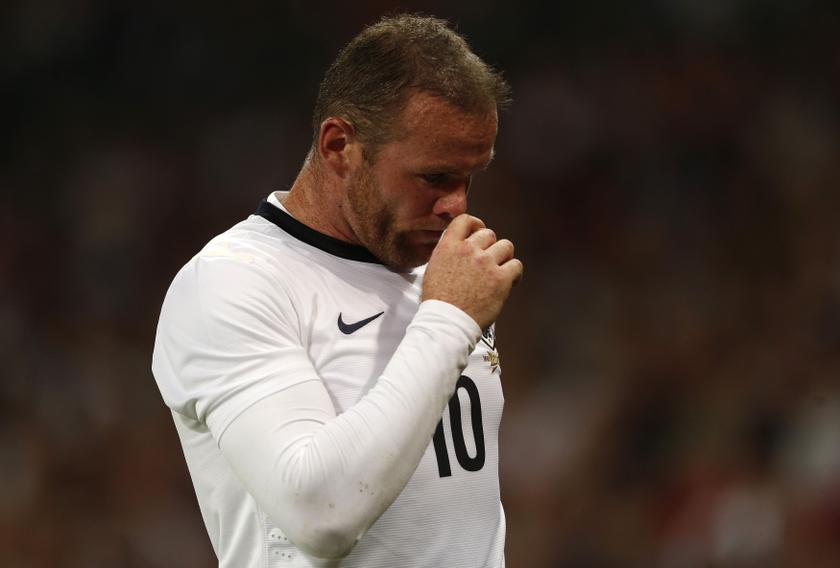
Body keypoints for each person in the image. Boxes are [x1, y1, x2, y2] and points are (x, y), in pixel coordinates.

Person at [152, 14, 522, 568]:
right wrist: (447, 320)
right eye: (434, 177)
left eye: (470, 177)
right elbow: (319, 515)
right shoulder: (233, 282)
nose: (457, 206)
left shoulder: (443, 274)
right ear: (338, 145)